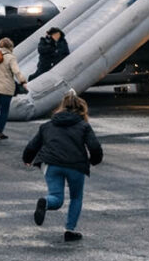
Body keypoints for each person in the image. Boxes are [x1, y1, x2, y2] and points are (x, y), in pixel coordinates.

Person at [22, 92, 103, 242]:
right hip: (75, 165)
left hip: (51, 163)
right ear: (81, 110)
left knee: (57, 197)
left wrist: (27, 158)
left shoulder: (47, 125)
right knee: (76, 197)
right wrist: (95, 160)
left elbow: (33, 145)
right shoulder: (83, 126)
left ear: (61, 108)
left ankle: (45, 202)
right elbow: (94, 147)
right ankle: (70, 230)